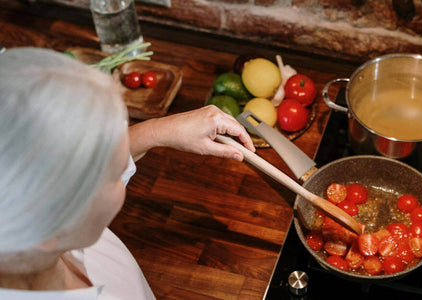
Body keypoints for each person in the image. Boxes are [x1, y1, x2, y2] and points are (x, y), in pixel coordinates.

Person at [0, 47, 255, 299]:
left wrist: (159, 131)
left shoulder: (35, 229)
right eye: (111, 175)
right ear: (47, 224)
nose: (122, 166)